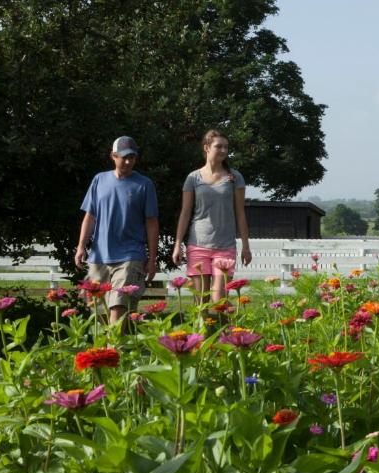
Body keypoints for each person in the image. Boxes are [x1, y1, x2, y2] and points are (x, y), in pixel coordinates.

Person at [75, 136, 159, 326]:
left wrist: (152, 259)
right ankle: (109, 352)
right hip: (99, 256)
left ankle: (115, 350)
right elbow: (90, 216)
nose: (128, 161)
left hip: (130, 255)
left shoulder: (144, 184)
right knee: (98, 312)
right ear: (113, 156)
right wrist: (81, 246)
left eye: (132, 157)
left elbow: (152, 222)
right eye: (124, 157)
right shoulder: (99, 180)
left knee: (118, 308)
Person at [172, 130, 252, 301]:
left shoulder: (234, 177)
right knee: (201, 301)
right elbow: (185, 213)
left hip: (225, 246)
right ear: (207, 147)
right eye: (219, 146)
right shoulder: (193, 178)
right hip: (197, 244)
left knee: (219, 301)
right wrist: (178, 244)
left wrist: (246, 246)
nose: (223, 150)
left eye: (226, 147)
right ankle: (201, 329)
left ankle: (225, 329)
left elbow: (240, 212)